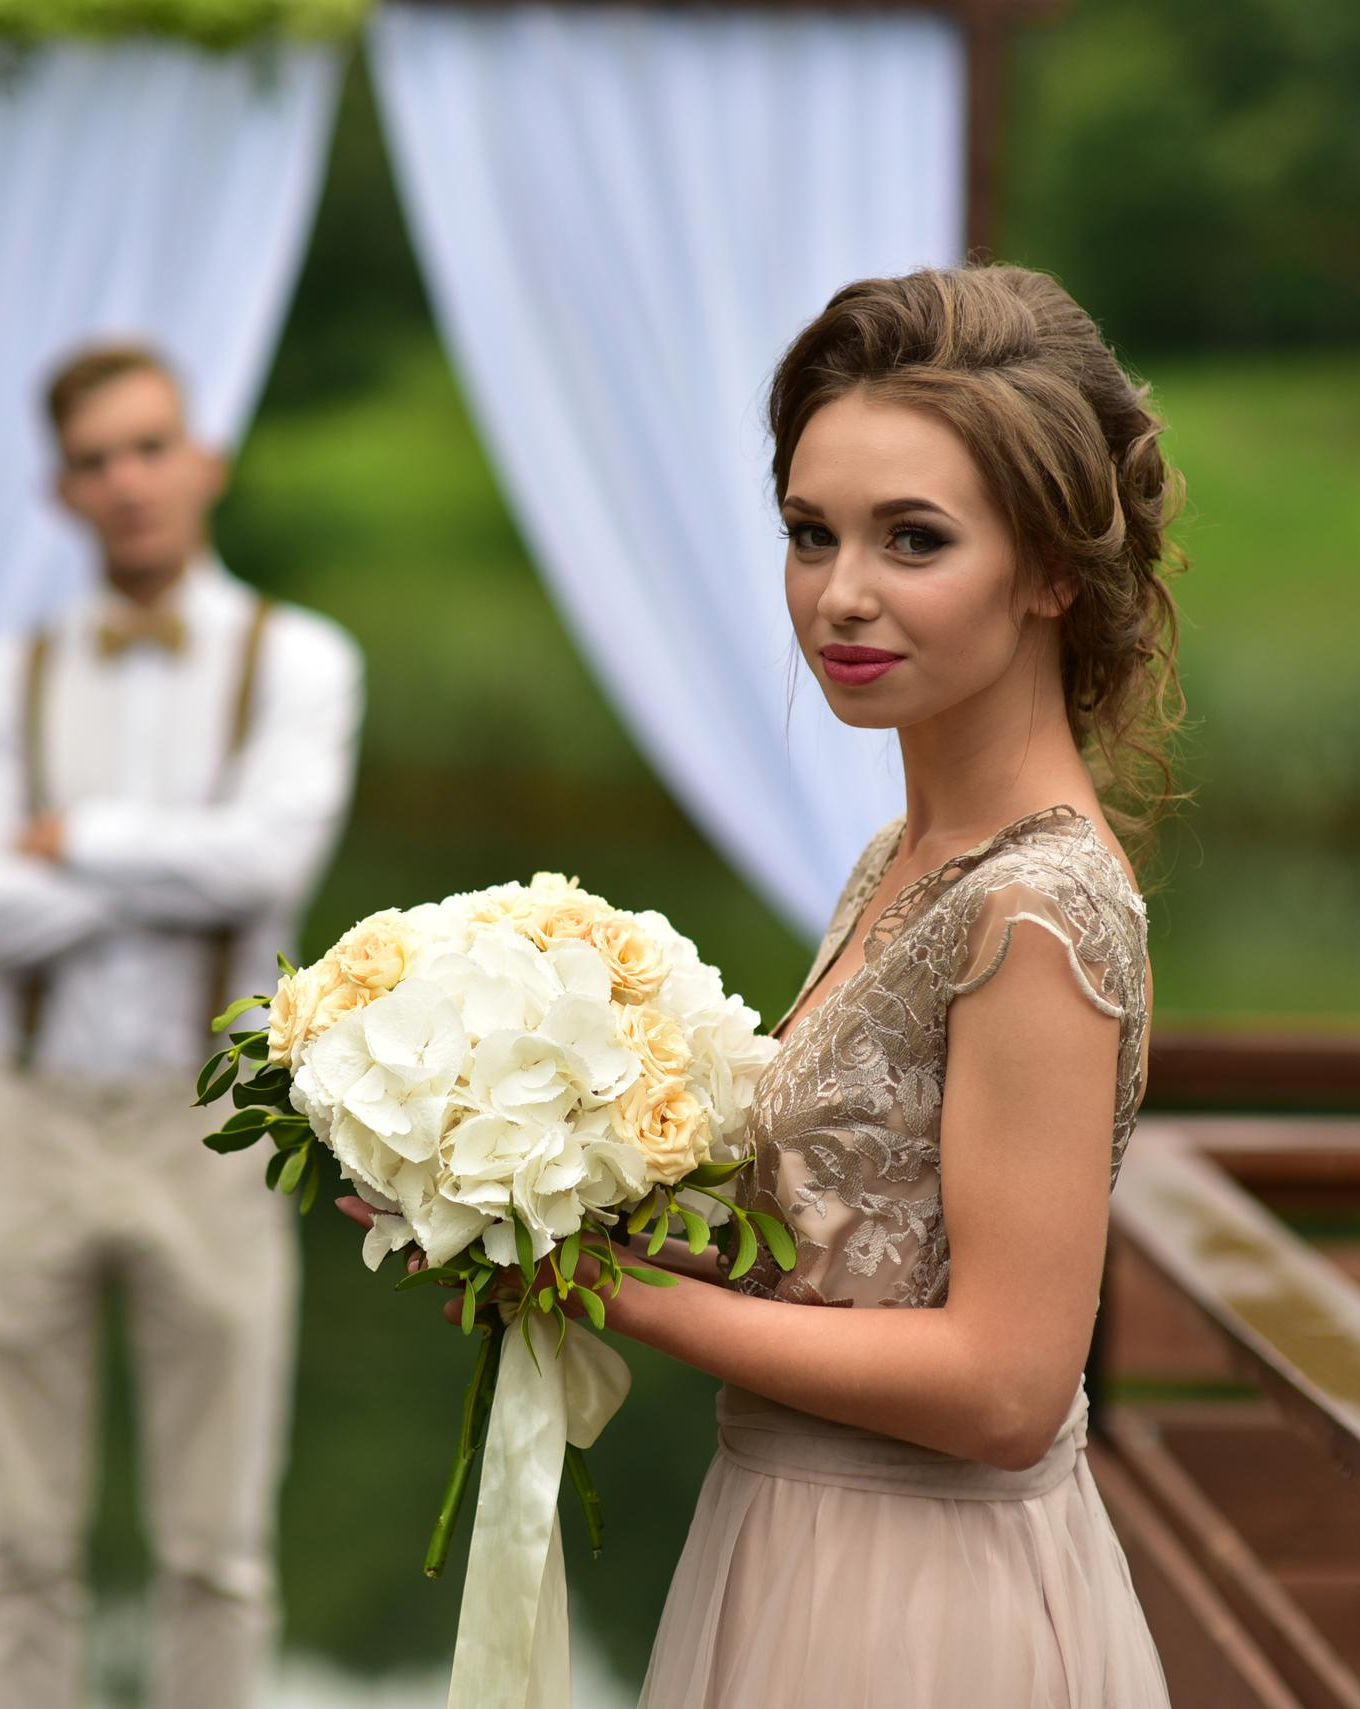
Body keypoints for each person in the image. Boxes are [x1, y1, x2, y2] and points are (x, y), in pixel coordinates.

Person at [350, 263, 1181, 1705]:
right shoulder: (902, 859)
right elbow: (851, 1254)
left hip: (917, 1605)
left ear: (1054, 568)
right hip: (793, 1534)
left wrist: (604, 1288)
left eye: (913, 539)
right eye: (812, 533)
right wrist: (513, 1190)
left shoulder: (1038, 911)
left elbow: (1005, 1386)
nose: (841, 593)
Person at [0, 341, 364, 1709]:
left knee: (217, 1548)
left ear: (204, 459)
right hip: (20, 1119)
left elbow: (266, 865)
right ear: (61, 490)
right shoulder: (6, 675)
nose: (128, 481)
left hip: (210, 1127)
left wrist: (67, 845)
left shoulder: (302, 661)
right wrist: (155, 874)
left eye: (150, 446)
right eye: (97, 459)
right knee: (14, 1542)